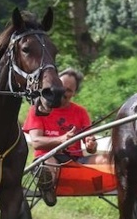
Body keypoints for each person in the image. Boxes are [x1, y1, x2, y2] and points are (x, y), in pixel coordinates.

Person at [22, 68, 109, 206]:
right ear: (54, 86)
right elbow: (36, 142)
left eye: (68, 90)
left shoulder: (80, 112)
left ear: (74, 93)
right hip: (49, 157)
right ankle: (47, 185)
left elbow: (90, 146)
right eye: (61, 87)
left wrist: (91, 145)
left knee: (106, 159)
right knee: (47, 162)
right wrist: (62, 139)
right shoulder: (38, 109)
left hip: (76, 160)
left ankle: (118, 186)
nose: (63, 92)